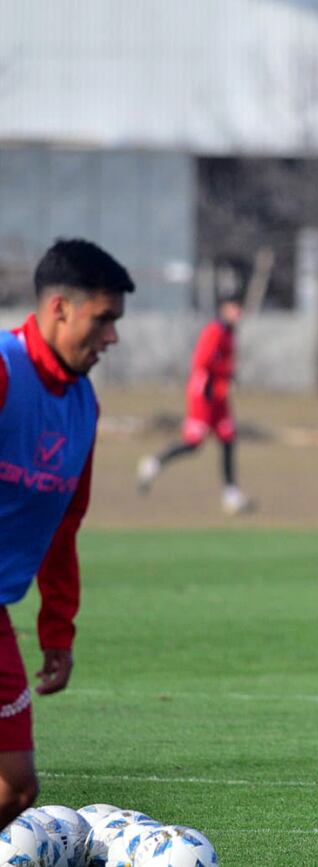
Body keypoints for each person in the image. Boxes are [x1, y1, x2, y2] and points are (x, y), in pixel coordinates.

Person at [0, 238, 131, 825]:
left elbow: (63, 522)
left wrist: (57, 627)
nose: (113, 338)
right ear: (59, 308)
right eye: (103, 320)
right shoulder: (3, 370)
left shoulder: (83, 405)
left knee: (14, 787)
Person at [136, 290, 252, 515]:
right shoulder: (214, 331)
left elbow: (224, 363)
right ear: (224, 309)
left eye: (240, 307)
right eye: (235, 307)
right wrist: (214, 382)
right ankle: (153, 464)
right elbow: (202, 361)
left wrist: (229, 378)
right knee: (193, 443)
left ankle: (231, 495)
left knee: (228, 439)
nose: (239, 312)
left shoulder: (230, 333)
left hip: (219, 396)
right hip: (204, 395)